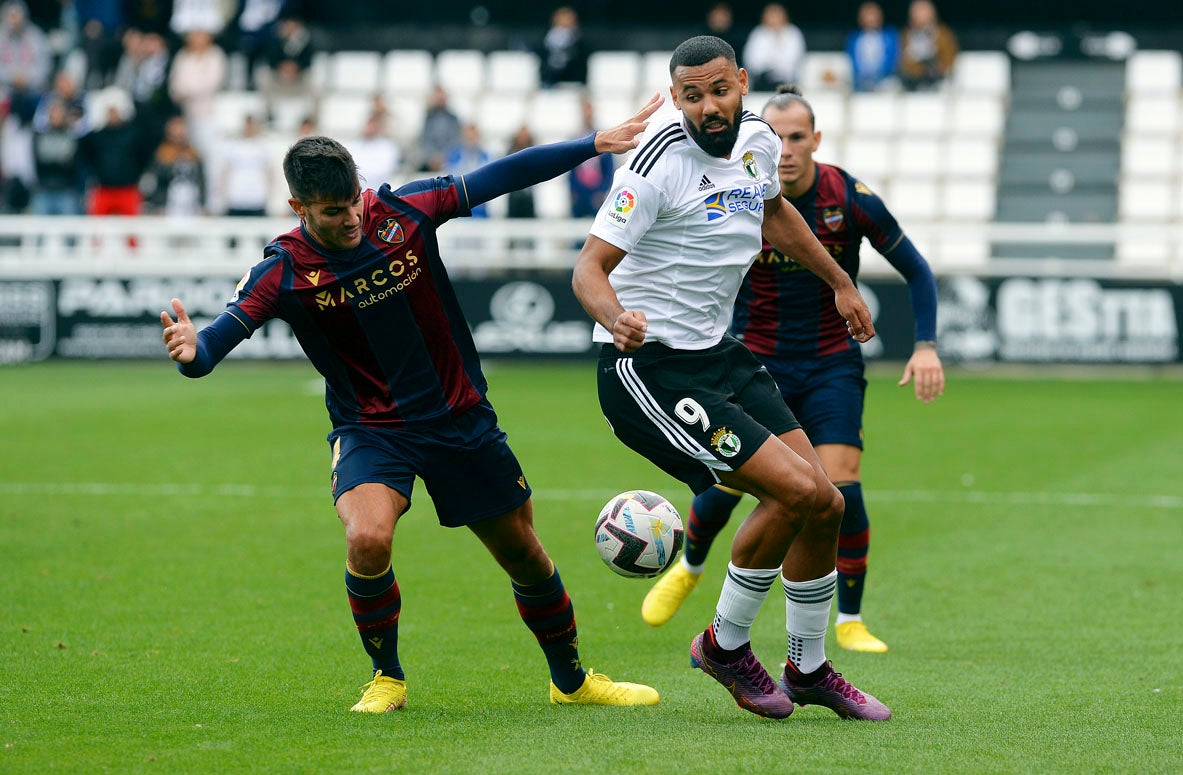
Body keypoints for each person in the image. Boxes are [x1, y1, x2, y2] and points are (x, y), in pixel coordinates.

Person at [160, 93, 666, 714]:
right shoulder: (284, 270)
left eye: (352, 204)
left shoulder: (404, 210)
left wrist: (591, 143)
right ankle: (387, 678)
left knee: (524, 554)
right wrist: (193, 351)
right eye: (330, 213)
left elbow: (501, 175)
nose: (349, 220)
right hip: (372, 429)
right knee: (367, 538)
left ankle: (572, 681)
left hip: (459, 419)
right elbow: (217, 341)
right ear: (298, 207)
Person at [572, 36, 889, 721]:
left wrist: (839, 281)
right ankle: (723, 644)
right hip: (646, 370)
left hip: (718, 355)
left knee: (825, 503)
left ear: (741, 83)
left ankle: (806, 668)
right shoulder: (654, 163)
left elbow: (774, 213)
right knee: (794, 491)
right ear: (676, 97)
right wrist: (614, 315)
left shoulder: (757, 139)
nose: (708, 106)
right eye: (691, 96)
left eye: (719, 90)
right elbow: (587, 269)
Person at [642, 84, 944, 655]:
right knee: (732, 482)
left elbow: (918, 270)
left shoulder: (848, 197)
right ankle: (689, 565)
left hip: (832, 363)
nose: (784, 147)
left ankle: (849, 619)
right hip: (754, 358)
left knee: (839, 489)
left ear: (816, 139)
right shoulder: (735, 189)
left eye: (797, 136)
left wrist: (925, 344)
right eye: (775, 136)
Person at [742, 3, 806, 92]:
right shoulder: (758, 33)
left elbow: (794, 59)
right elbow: (752, 61)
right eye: (771, 15)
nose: (774, 19)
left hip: (787, 82)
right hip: (762, 83)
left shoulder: (793, 33)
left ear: (784, 17)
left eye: (777, 15)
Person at [898, 0, 958, 92]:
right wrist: (919, 70)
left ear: (932, 13)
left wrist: (936, 68)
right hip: (913, 83)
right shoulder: (906, 35)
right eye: (917, 11)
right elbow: (903, 61)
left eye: (924, 10)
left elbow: (949, 59)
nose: (921, 14)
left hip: (938, 82)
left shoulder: (943, 34)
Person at [846, 1, 899, 93]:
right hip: (860, 84)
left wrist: (877, 76)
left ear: (880, 16)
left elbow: (893, 59)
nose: (871, 18)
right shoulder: (853, 38)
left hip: (884, 82)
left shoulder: (890, 36)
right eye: (867, 15)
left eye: (873, 14)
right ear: (860, 18)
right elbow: (851, 62)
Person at [538, 5, 588, 88]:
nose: (565, 21)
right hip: (548, 83)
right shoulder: (546, 38)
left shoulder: (580, 40)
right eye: (562, 18)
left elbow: (581, 64)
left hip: (573, 83)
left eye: (568, 18)